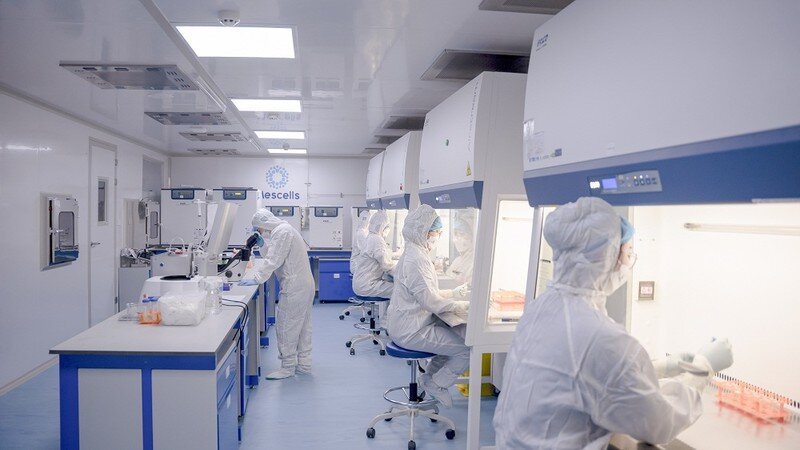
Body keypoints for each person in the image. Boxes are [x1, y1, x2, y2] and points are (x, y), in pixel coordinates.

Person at [494, 197, 734, 449]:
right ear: (607, 257)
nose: (629, 263)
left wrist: (661, 368)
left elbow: (586, 376)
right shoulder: (600, 336)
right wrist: (703, 368)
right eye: (628, 253)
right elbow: (659, 423)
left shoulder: (542, 307)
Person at [386, 205, 470, 408]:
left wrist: (452, 293)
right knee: (465, 350)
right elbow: (430, 301)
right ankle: (437, 384)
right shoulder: (417, 259)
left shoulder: (413, 253)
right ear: (424, 231)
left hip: (406, 325)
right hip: (412, 331)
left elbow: (424, 293)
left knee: (450, 340)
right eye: (437, 233)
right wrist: (461, 305)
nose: (438, 237)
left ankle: (429, 379)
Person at [239, 208, 315, 380]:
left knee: (286, 325)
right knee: (302, 325)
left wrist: (257, 278)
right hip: (304, 284)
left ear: (263, 224)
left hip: (295, 286)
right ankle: (304, 364)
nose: (259, 231)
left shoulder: (282, 232)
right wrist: (262, 245)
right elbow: (276, 255)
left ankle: (287, 367)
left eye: (258, 228)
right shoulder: (284, 230)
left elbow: (273, 260)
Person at [352, 210, 396, 298]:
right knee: (402, 291)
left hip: (362, 283)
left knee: (395, 286)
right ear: (382, 226)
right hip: (368, 286)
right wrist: (403, 275)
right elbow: (387, 265)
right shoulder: (377, 239)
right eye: (387, 227)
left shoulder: (370, 237)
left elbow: (379, 254)